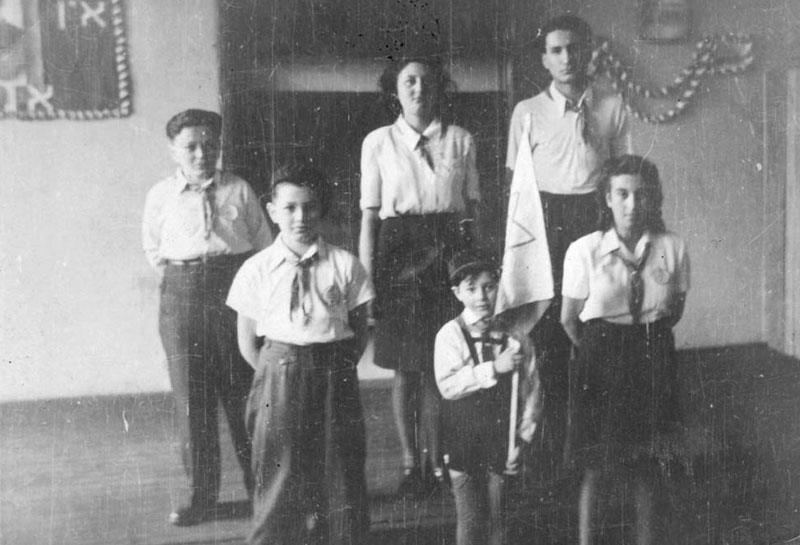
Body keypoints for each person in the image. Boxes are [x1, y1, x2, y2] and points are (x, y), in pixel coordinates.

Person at [504, 14, 631, 477]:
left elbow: (624, 180)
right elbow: (516, 189)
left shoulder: (612, 106)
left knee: (595, 327)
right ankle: (549, 451)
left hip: (595, 220)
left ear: (588, 52)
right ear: (544, 59)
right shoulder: (527, 112)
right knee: (549, 336)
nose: (566, 58)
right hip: (546, 227)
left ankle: (595, 445)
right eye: (556, 50)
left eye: (574, 48)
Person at [227, 162, 373, 545]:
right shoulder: (256, 269)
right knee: (279, 468)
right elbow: (247, 342)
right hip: (279, 373)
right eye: (290, 208)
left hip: (334, 371)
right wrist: (278, 371)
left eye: (309, 206)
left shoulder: (345, 264)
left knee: (340, 467)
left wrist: (334, 366)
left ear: (321, 208)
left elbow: (359, 331)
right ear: (272, 211)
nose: (300, 217)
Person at [142, 109, 271, 526]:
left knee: (244, 397)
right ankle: (202, 498)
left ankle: (263, 493)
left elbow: (263, 246)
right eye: (191, 146)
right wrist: (188, 280)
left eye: (210, 145)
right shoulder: (160, 195)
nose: (202, 154)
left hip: (232, 294)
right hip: (181, 300)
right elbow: (154, 250)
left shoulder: (239, 189)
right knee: (192, 403)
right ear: (174, 150)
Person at [359, 55, 481, 495]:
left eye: (427, 81)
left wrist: (475, 269)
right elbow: (369, 219)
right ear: (395, 89)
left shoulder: (461, 140)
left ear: (439, 87)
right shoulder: (378, 142)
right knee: (406, 369)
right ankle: (412, 464)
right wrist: (367, 282)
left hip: (448, 251)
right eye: (409, 81)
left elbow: (472, 211)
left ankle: (438, 463)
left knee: (441, 364)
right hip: (398, 256)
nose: (418, 89)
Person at [560, 155, 690, 545]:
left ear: (653, 198)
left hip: (652, 354)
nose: (633, 204)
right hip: (601, 359)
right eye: (622, 194)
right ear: (607, 198)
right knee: (596, 464)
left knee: (646, 461)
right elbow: (569, 320)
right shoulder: (584, 250)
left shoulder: (671, 247)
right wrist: (600, 352)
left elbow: (673, 311)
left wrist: (643, 344)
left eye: (641, 194)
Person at [435, 250, 525, 545]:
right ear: (457, 292)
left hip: (502, 440)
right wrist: (494, 368)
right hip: (463, 441)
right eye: (471, 288)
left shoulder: (514, 336)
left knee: (501, 519)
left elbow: (531, 392)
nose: (482, 296)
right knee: (471, 520)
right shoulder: (449, 334)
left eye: (489, 286)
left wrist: (522, 440)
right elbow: (448, 386)